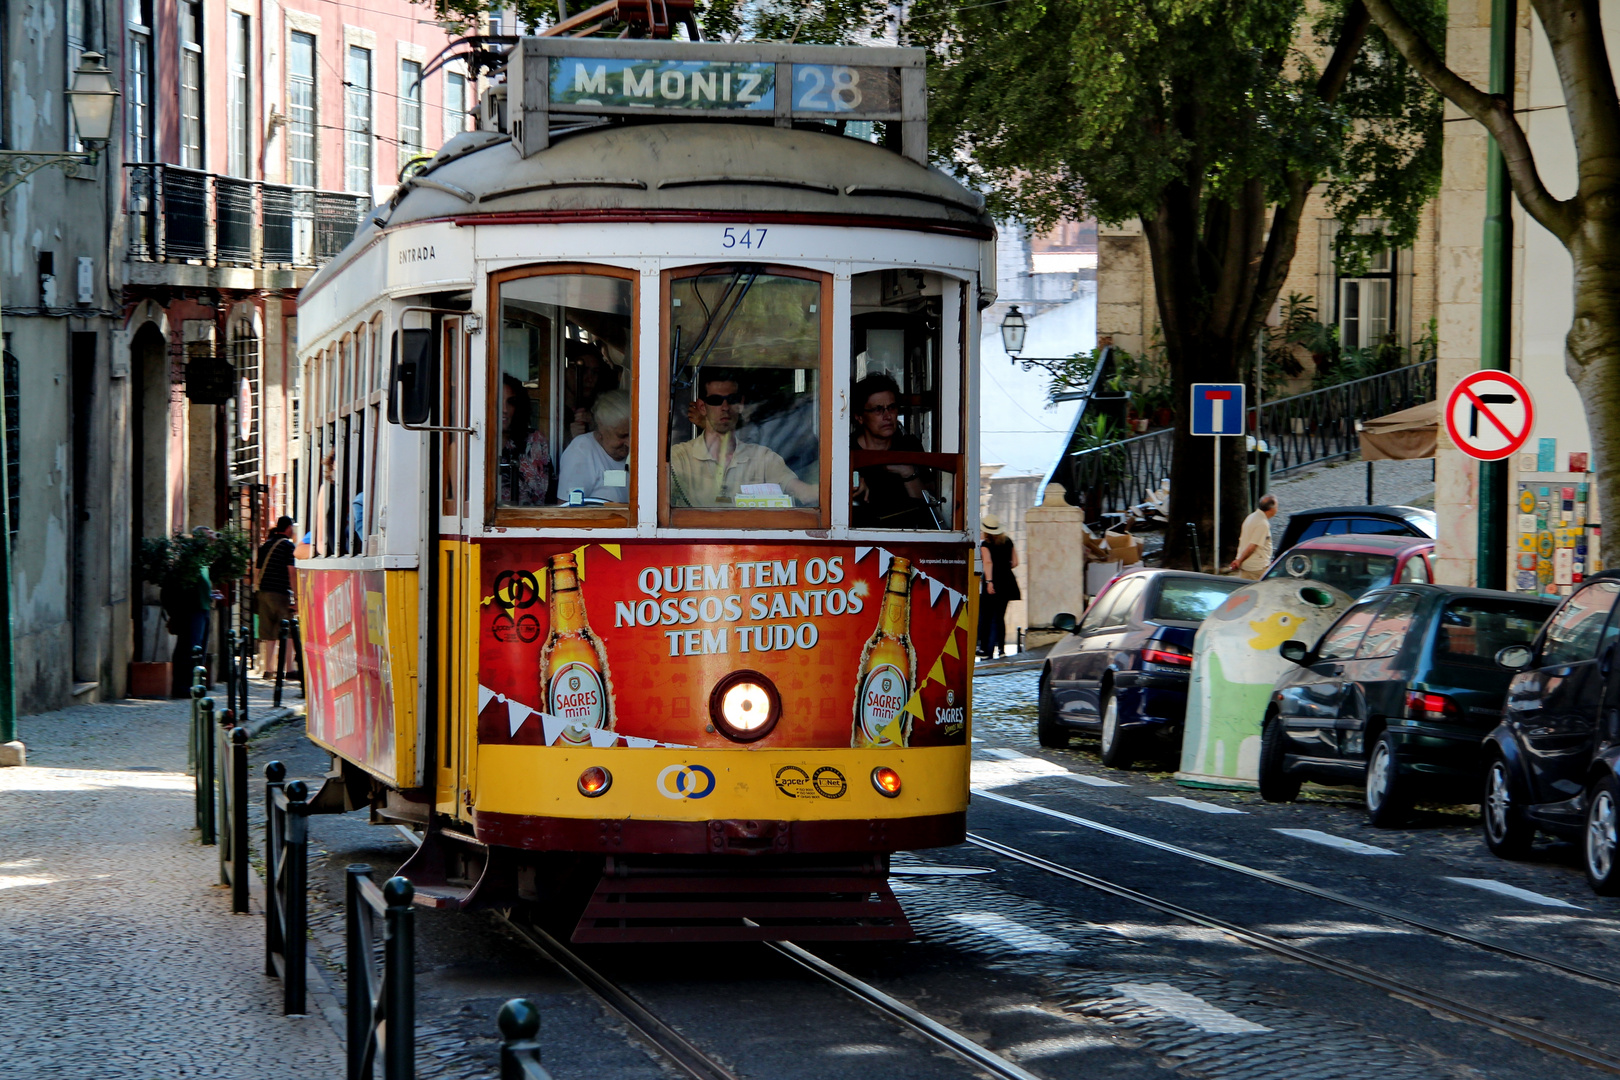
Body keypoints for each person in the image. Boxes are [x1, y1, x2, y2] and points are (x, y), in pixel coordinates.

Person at [669, 373, 818, 507]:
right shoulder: (679, 457)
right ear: (702, 407)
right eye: (716, 400)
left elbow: (804, 493)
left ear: (740, 404)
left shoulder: (763, 458)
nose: (725, 407)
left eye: (732, 400)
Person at [851, 373, 933, 528]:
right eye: (878, 409)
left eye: (892, 408)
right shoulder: (846, 449)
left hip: (906, 540)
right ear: (859, 417)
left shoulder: (910, 446)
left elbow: (929, 509)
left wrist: (908, 473)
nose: (887, 416)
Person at [556, 390, 631, 504]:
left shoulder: (639, 451)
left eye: (634, 434)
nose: (630, 443)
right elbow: (566, 510)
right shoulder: (581, 451)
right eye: (623, 436)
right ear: (601, 430)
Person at [499, 373, 552, 506]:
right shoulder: (468, 444)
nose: (504, 409)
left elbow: (546, 496)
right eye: (498, 401)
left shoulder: (535, 441)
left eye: (511, 402)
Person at [255, 516, 297, 673]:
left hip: (264, 592)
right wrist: (296, 597)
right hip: (280, 593)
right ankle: (289, 668)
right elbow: (291, 572)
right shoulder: (287, 546)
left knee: (268, 632)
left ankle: (268, 669)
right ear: (288, 528)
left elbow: (257, 571)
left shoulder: (265, 545)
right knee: (288, 631)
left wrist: (258, 589)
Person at [978, 514, 1021, 658]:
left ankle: (985, 650)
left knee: (986, 616)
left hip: (993, 581)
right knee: (1000, 617)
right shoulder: (1008, 541)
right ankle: (1001, 650)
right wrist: (1003, 566)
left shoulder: (985, 544)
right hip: (1007, 581)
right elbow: (1015, 562)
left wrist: (989, 581)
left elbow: (988, 562)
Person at [1230, 493, 1279, 580]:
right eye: (1276, 507)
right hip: (1256, 568)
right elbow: (1252, 546)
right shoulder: (1262, 524)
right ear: (1271, 509)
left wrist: (1239, 560)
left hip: (1247, 566)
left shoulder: (1251, 516)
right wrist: (1239, 561)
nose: (1277, 509)